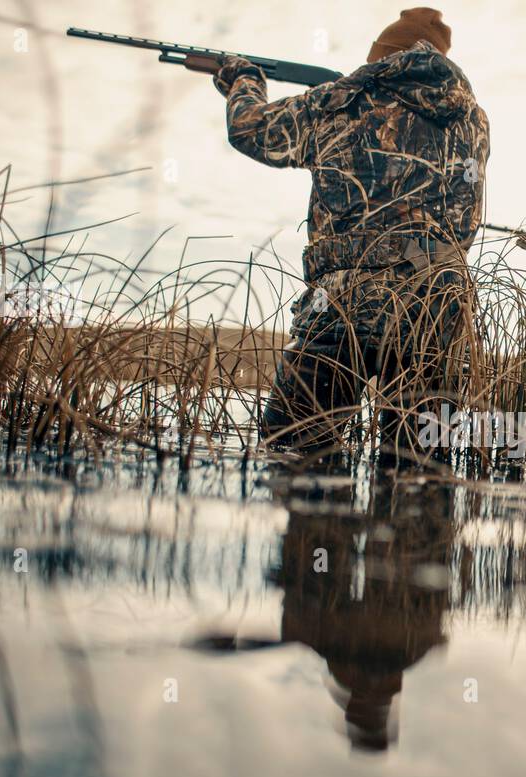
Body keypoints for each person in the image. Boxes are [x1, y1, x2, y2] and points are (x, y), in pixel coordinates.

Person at [213, 8, 490, 457]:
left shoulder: (337, 99)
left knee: (293, 453)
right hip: (437, 310)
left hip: (341, 307)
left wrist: (242, 78)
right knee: (421, 472)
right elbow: (467, 218)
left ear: (382, 55)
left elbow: (250, 130)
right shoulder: (474, 120)